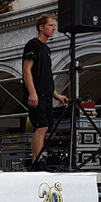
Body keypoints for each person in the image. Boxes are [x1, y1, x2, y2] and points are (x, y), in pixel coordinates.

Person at [23, 13, 69, 171]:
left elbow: (46, 75)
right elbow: (26, 70)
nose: (54, 28)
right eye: (50, 25)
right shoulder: (32, 45)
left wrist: (56, 94)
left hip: (47, 94)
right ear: (41, 27)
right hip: (37, 94)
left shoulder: (47, 48)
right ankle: (37, 161)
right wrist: (32, 92)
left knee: (45, 127)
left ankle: (38, 159)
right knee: (41, 126)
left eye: (54, 25)